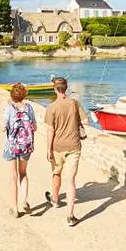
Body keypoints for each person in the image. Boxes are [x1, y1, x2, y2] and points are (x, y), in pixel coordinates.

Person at [44, 77, 87, 227]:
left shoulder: (52, 107)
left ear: (55, 89)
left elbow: (50, 130)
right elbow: (86, 121)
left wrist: (48, 149)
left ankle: (55, 200)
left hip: (57, 146)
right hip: (74, 146)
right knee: (70, 181)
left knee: (56, 173)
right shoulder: (74, 103)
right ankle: (70, 216)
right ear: (66, 88)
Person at [2, 83, 36, 218]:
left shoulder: (9, 108)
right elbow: (34, 127)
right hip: (26, 146)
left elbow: (4, 126)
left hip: (12, 145)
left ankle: (15, 208)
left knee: (13, 176)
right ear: (24, 95)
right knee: (23, 173)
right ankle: (24, 200)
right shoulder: (29, 108)